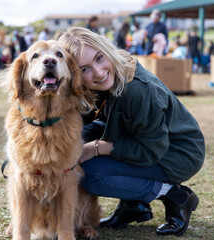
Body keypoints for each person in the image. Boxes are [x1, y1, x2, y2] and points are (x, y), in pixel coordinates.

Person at [55, 27, 205, 236]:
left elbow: (151, 150)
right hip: (140, 137)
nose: (98, 72)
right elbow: (86, 118)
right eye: (84, 69)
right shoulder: (107, 77)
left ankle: (175, 195)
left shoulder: (138, 90)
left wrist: (96, 148)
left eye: (99, 58)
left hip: (176, 153)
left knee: (92, 174)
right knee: (84, 135)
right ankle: (134, 206)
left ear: (106, 50)